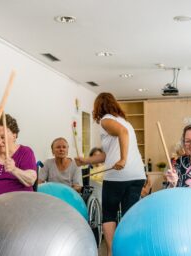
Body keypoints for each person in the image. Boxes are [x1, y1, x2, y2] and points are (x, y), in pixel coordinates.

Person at [75, 92, 146, 256]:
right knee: (129, 215)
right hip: (137, 175)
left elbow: (123, 134)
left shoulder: (106, 119)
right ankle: (128, 250)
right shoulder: (125, 122)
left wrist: (123, 159)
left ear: (98, 106)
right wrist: (85, 160)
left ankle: (112, 252)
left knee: (109, 214)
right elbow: (107, 155)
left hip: (118, 176)